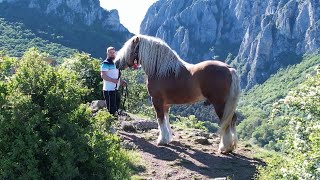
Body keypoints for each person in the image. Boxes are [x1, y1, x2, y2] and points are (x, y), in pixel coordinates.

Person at [101, 46, 126, 116]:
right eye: (110, 53)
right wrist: (112, 80)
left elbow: (117, 75)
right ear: (107, 53)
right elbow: (103, 75)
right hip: (108, 89)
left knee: (116, 107)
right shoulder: (105, 63)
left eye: (113, 53)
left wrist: (121, 81)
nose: (112, 54)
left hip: (115, 89)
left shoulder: (116, 63)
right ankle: (110, 124)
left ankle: (116, 123)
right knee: (111, 109)